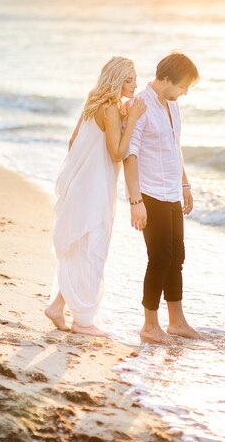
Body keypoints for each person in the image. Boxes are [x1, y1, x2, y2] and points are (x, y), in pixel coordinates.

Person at [45, 57, 146, 336]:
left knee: (81, 246)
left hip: (81, 183)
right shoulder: (111, 109)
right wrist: (133, 120)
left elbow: (72, 143)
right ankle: (83, 321)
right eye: (129, 80)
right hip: (96, 187)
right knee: (93, 249)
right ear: (115, 80)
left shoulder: (93, 101)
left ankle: (57, 306)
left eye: (135, 79)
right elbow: (116, 153)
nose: (135, 84)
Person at [123, 52, 204, 344]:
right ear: (167, 79)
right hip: (150, 193)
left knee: (176, 258)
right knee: (159, 258)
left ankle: (177, 322)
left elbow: (174, 145)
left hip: (171, 192)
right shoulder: (140, 105)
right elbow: (129, 155)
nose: (185, 93)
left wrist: (185, 184)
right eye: (183, 86)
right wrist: (135, 202)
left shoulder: (171, 106)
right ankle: (149, 326)